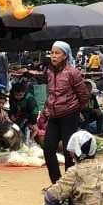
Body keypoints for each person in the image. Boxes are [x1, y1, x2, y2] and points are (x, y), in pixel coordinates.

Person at [42, 41, 91, 184]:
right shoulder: (49, 71)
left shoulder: (73, 72)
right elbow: (51, 92)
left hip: (69, 113)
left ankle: (69, 184)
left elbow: (84, 95)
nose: (53, 56)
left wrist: (76, 108)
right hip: (54, 114)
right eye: (52, 52)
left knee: (69, 151)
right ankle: (57, 184)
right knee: (48, 148)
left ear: (65, 55)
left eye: (57, 53)